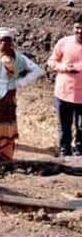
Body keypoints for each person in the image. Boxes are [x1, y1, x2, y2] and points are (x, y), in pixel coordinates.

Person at [0, 28, 43, 160]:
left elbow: (37, 70)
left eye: (8, 40)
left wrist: (19, 82)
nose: (5, 43)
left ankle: (2, 156)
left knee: (4, 127)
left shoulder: (18, 58)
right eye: (2, 40)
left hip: (6, 99)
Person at [47, 14, 82, 156]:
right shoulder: (64, 43)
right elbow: (51, 61)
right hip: (64, 94)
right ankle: (64, 152)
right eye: (77, 28)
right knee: (64, 126)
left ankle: (79, 153)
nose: (79, 31)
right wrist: (63, 67)